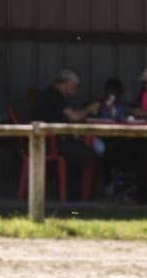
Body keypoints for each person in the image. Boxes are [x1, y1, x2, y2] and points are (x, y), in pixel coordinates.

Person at [31, 69, 99, 198]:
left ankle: (74, 191)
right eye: (76, 86)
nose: (76, 90)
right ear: (67, 83)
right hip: (49, 143)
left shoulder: (50, 93)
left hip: (45, 141)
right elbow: (74, 117)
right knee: (90, 154)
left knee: (81, 147)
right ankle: (84, 195)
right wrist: (89, 109)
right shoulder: (54, 95)